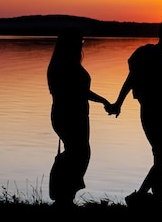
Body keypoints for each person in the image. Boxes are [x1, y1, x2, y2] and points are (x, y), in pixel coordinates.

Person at [107, 19, 162, 207]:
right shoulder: (145, 54)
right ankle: (139, 196)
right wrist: (118, 103)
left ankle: (157, 201)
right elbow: (131, 80)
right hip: (152, 112)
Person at [47, 27, 110, 206]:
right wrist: (103, 101)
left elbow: (81, 91)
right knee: (78, 154)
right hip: (69, 115)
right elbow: (78, 92)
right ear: (70, 43)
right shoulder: (63, 65)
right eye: (79, 41)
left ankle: (65, 197)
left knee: (78, 153)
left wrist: (103, 101)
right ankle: (63, 198)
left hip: (76, 115)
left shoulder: (66, 63)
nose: (81, 44)